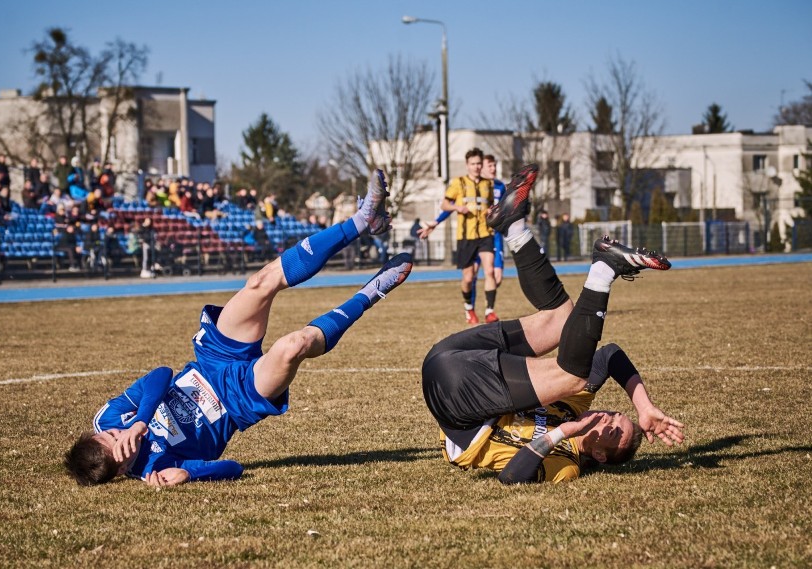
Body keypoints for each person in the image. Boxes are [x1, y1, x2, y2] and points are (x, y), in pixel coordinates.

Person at [64, 170, 409, 487]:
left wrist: (139, 421)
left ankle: (364, 220)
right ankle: (373, 290)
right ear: (123, 468)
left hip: (213, 358)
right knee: (295, 345)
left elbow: (160, 374)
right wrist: (188, 472)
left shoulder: (110, 417)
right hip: (237, 398)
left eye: (109, 437)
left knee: (259, 283)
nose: (118, 436)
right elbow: (232, 467)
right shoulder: (156, 467)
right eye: (119, 448)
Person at [422, 165, 682, 484]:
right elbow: (610, 355)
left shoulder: (566, 463)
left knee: (573, 376)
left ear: (600, 454)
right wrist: (643, 407)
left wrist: (560, 433)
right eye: (615, 415)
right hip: (452, 356)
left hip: (457, 406)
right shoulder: (575, 403)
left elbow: (511, 479)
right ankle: (513, 224)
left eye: (612, 430)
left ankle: (603, 270)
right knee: (562, 319)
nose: (608, 418)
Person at [417, 148, 502, 325]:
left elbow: (492, 207)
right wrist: (457, 208)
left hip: (485, 235)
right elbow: (445, 204)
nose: (476, 167)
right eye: (473, 164)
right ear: (467, 165)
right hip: (466, 237)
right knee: (468, 278)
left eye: (479, 163)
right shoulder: (459, 183)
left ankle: (490, 312)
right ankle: (469, 308)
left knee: (489, 271)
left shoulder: (488, 184)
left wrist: (491, 212)